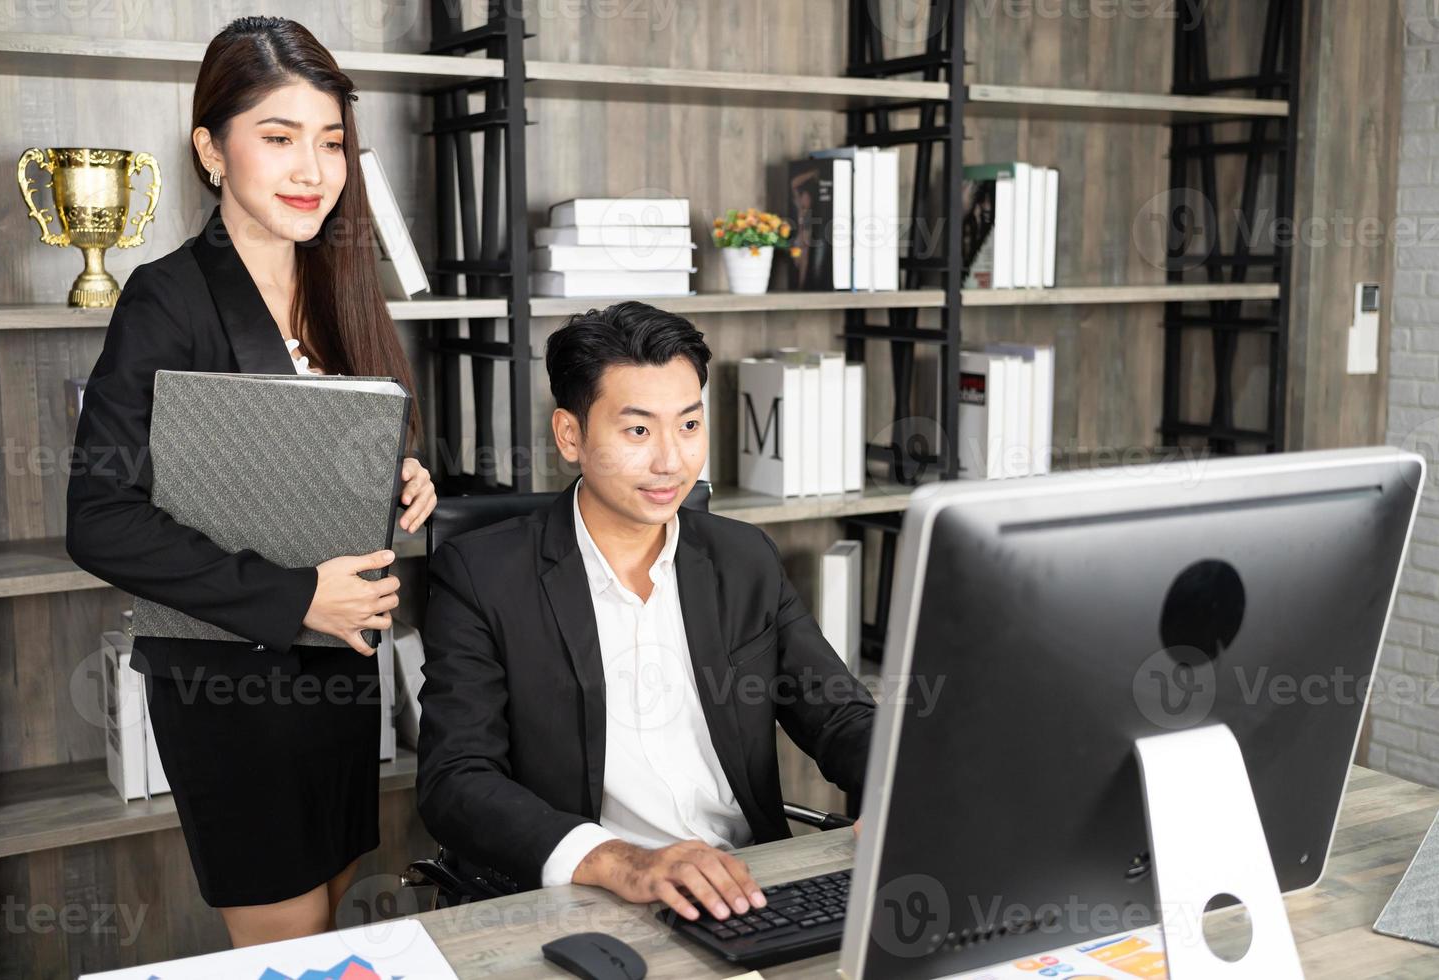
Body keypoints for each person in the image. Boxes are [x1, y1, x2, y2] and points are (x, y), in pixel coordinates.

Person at [65, 16, 437, 947]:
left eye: (331, 141)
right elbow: (101, 519)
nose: (312, 167)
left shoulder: (341, 290)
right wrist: (298, 595)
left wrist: (400, 479)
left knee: (338, 919)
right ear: (212, 149)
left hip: (342, 667)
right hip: (234, 684)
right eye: (279, 138)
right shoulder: (168, 298)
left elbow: (324, 464)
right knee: (291, 946)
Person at [417, 301, 874, 924]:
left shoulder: (743, 558)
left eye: (688, 426)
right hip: (587, 896)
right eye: (638, 431)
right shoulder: (484, 576)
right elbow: (456, 780)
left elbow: (838, 715)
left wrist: (900, 789)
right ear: (570, 435)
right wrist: (619, 861)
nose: (671, 461)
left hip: (745, 887)